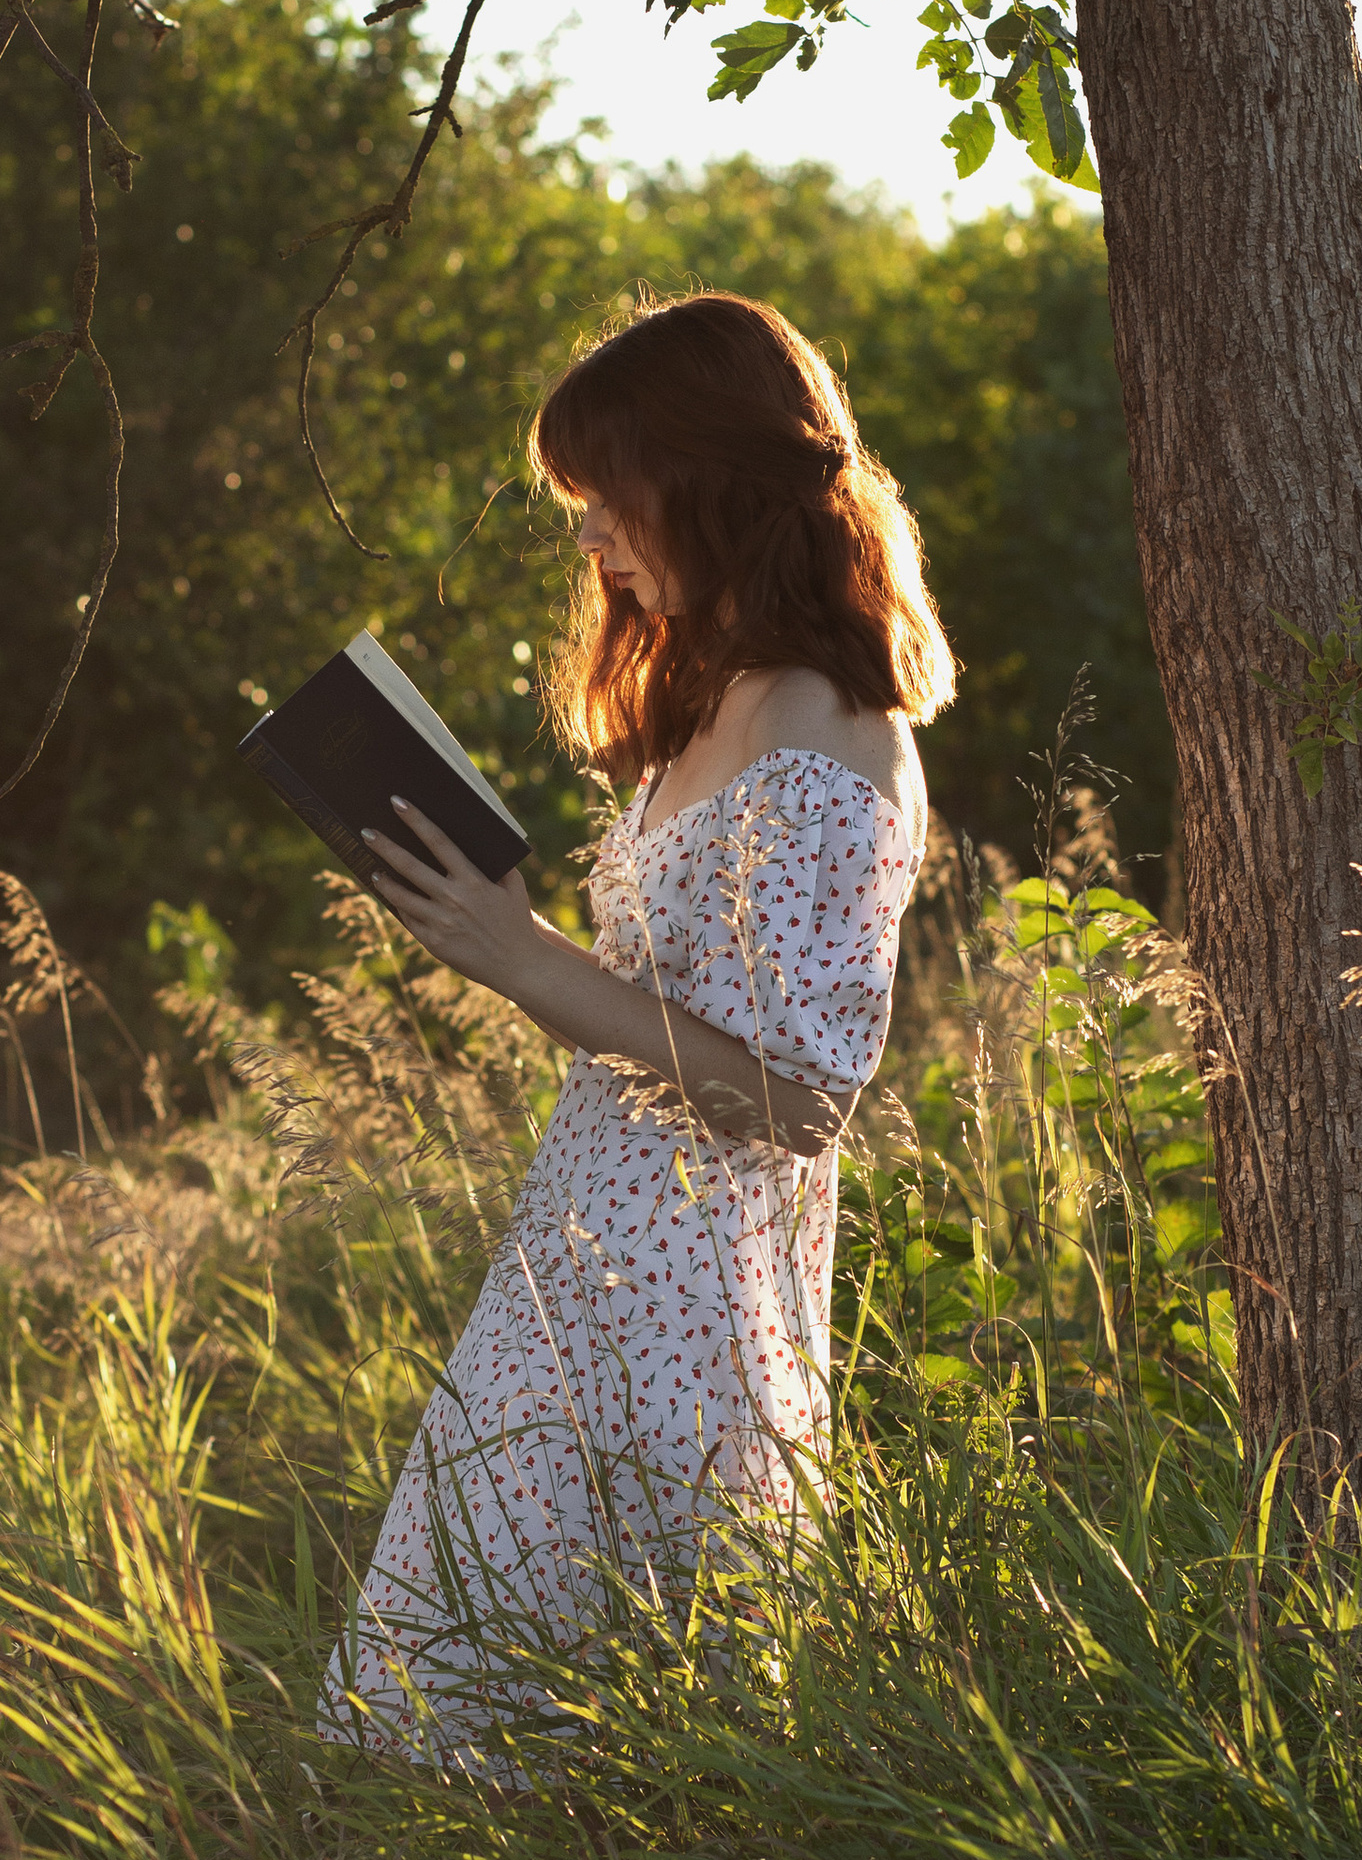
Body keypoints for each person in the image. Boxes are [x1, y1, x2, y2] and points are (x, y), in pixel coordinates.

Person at [317, 288, 956, 1763]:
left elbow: (802, 1104)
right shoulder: (722, 697)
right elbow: (665, 1019)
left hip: (686, 1303)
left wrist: (521, 954)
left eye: (607, 498)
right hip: (589, 1259)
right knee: (476, 1734)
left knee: (627, 1742)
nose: (589, 538)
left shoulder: (821, 726)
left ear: (711, 477)